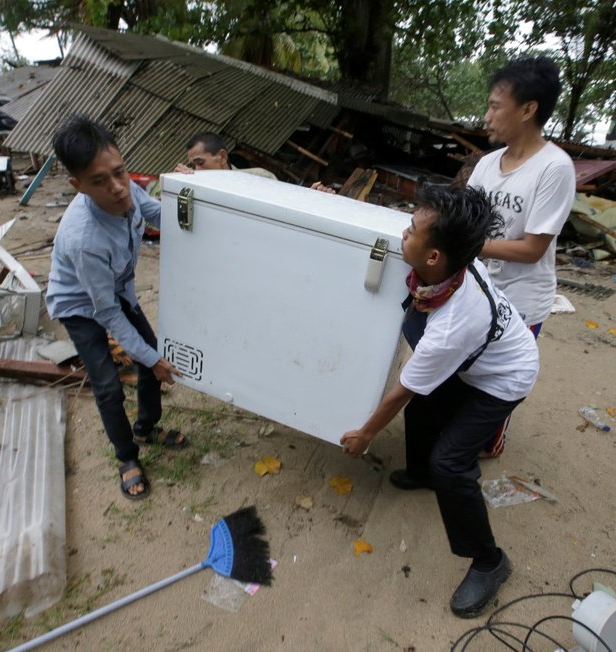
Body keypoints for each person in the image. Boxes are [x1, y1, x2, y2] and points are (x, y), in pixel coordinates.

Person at [340, 184, 539, 618]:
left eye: (411, 230)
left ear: (434, 257)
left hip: (504, 377)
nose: (403, 233)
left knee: (450, 462)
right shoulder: (446, 269)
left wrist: (365, 435)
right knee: (426, 409)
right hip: (477, 356)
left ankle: (489, 561)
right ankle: (420, 472)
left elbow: (400, 391)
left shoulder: (452, 324)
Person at [46, 115, 185, 501]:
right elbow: (104, 312)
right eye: (99, 181)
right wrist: (151, 358)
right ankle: (127, 457)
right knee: (108, 385)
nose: (117, 188)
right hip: (81, 305)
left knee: (150, 357)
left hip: (116, 288)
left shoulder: (126, 189)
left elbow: (155, 214)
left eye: (119, 172)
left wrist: (203, 218)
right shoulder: (83, 240)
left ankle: (145, 427)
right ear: (78, 186)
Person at [467, 56, 576, 458]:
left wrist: (468, 243)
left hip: (521, 299)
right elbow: (465, 217)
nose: (487, 116)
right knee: (467, 366)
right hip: (479, 288)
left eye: (496, 106)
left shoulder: (554, 168)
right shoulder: (485, 165)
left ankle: (491, 439)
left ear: (528, 109)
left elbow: (532, 250)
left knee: (499, 377)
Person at [173, 131, 335, 193]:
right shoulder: (192, 189)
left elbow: (286, 207)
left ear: (222, 156)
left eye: (200, 162)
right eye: (193, 165)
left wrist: (312, 197)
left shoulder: (260, 178)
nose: (197, 169)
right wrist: (176, 188)